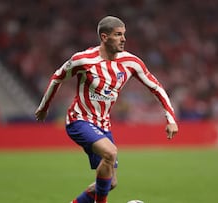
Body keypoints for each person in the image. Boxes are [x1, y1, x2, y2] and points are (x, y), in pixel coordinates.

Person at [35, 16, 179, 203]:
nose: (123, 39)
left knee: (110, 183)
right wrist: (44, 106)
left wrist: (171, 119)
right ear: (104, 37)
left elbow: (156, 88)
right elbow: (57, 77)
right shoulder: (83, 60)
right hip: (79, 120)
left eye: (124, 34)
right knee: (110, 153)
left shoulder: (131, 62)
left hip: (103, 124)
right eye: (118, 35)